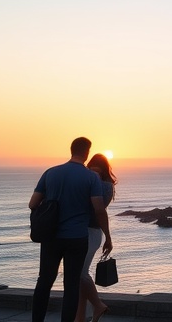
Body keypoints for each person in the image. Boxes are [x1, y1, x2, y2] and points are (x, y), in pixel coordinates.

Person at [30, 138, 112, 322]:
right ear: (87, 153)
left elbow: (33, 203)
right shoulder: (91, 178)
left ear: (71, 150)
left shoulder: (50, 173)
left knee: (44, 282)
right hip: (77, 238)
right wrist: (107, 236)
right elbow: (99, 209)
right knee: (72, 286)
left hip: (51, 237)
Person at [74, 153, 117, 322]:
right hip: (87, 232)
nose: (92, 173)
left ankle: (98, 305)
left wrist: (108, 237)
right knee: (81, 275)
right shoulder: (100, 185)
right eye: (90, 170)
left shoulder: (102, 186)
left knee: (79, 273)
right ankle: (80, 317)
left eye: (95, 171)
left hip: (90, 232)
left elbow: (99, 209)